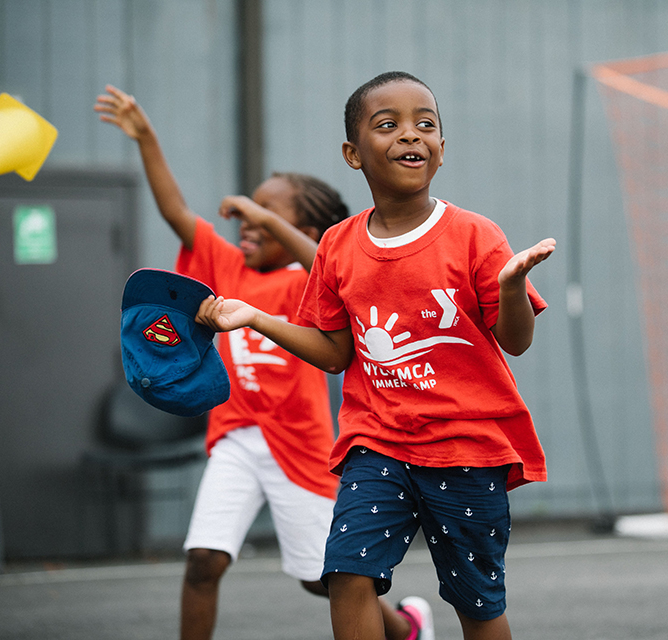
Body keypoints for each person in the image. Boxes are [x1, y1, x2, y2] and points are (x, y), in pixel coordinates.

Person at [195, 71, 556, 640]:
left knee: (476, 602)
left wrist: (512, 287)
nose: (411, 136)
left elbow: (515, 340)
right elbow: (336, 353)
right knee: (345, 573)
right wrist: (258, 319)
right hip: (377, 442)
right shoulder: (338, 244)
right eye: (387, 125)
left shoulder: (476, 235)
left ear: (441, 149)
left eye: (426, 125)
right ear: (353, 153)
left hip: (466, 447)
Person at [94, 85, 432, 640]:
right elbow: (177, 212)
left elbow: (322, 256)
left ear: (302, 229)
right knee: (204, 560)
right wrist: (146, 138)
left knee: (321, 579)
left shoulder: (312, 278)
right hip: (235, 437)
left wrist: (266, 219)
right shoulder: (228, 267)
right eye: (249, 211)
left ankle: (404, 628)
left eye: (268, 212)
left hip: (299, 447)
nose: (248, 221)